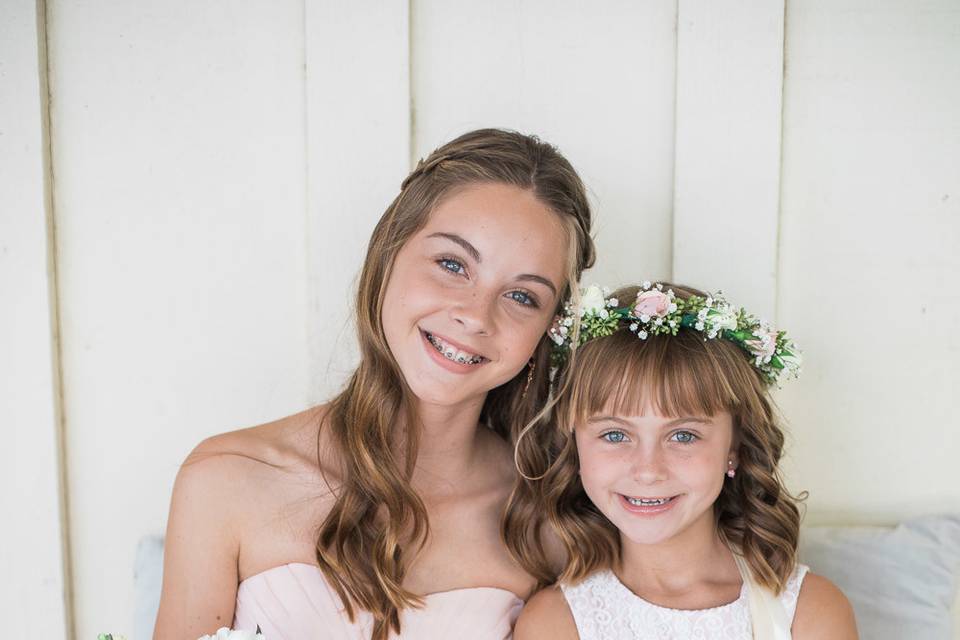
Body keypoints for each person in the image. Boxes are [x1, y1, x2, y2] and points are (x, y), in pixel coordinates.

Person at [153, 129, 595, 640]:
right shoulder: (225, 481)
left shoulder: (555, 520)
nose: (475, 317)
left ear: (547, 330)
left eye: (522, 296)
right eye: (453, 265)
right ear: (387, 255)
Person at [511, 283, 858, 639]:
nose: (647, 470)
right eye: (615, 435)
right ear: (574, 445)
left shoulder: (809, 613)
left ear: (734, 447)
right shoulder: (555, 624)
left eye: (683, 436)